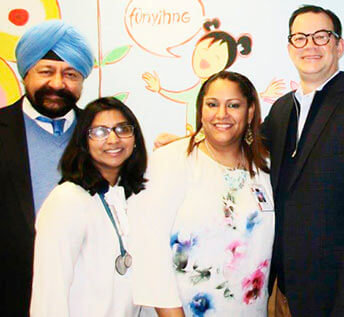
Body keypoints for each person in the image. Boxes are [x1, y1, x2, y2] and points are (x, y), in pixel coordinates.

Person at [261, 5, 344, 316]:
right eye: (300, 37)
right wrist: (186, 143)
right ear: (289, 47)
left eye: (321, 36)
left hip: (338, 298)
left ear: (339, 45)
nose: (310, 45)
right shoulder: (282, 110)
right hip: (282, 293)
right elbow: (241, 148)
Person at [130, 71, 273, 316]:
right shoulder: (170, 160)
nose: (222, 114)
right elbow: (149, 250)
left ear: (250, 113)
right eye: (212, 104)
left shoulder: (264, 168)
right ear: (200, 110)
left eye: (234, 105)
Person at [0, 19, 94, 316]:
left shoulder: (101, 135)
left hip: (85, 296)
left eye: (70, 74)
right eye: (46, 72)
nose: (57, 84)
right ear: (25, 73)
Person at [29, 97, 148, 316]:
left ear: (136, 139)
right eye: (100, 132)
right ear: (83, 142)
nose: (113, 139)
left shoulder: (132, 197)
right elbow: (49, 293)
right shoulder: (67, 200)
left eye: (122, 129)